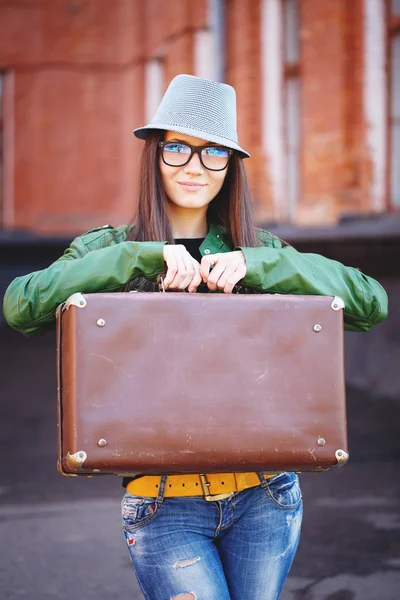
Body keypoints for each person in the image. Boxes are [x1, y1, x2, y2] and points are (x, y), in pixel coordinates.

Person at [3, 74, 388, 600]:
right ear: (155, 153)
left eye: (213, 154)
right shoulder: (112, 247)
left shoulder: (259, 248)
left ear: (231, 166)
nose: (193, 166)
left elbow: (371, 302)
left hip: (267, 496)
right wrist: (138, 258)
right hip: (163, 505)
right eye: (177, 147)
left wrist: (258, 265)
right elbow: (21, 305)